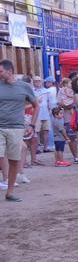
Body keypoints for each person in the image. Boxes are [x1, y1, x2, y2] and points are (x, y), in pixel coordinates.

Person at [0, 61, 38, 201]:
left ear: (9, 71)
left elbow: (36, 105)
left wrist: (32, 125)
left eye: (1, 71)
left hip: (16, 127)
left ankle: (9, 192)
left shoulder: (24, 87)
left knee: (14, 160)